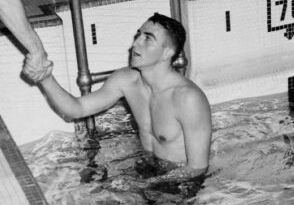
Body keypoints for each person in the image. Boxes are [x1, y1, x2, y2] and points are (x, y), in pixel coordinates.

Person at [24, 13, 211, 188]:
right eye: (138, 36)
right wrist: (45, 79)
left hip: (181, 180)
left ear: (167, 53)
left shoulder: (187, 99)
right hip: (147, 168)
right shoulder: (126, 80)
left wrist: (147, 184)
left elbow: (197, 168)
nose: (135, 44)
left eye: (147, 39)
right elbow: (77, 109)